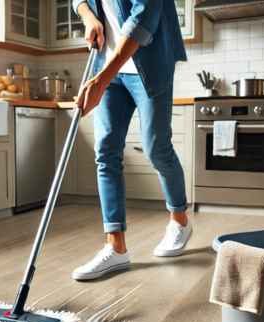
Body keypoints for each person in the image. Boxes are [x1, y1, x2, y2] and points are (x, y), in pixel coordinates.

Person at [71, 0, 191, 281]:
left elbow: (144, 19)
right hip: (108, 68)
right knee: (106, 152)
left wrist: (99, 81)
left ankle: (180, 221)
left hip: (150, 64)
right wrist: (88, 17)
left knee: (156, 148)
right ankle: (116, 246)